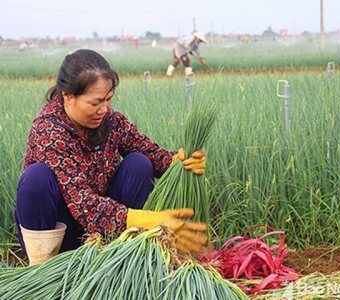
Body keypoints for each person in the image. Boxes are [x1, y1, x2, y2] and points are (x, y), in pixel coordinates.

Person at [14, 49, 208, 265]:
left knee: (139, 163)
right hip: (63, 230)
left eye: (108, 99)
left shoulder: (112, 121)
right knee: (36, 177)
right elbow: (83, 206)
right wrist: (151, 221)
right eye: (95, 102)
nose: (104, 109)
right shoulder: (49, 131)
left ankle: (126, 256)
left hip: (105, 228)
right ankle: (44, 269)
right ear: (68, 97)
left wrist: (180, 161)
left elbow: (153, 154)